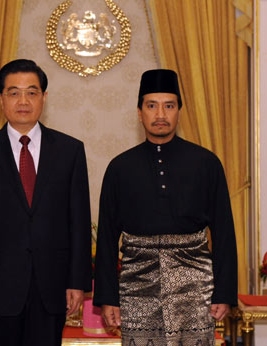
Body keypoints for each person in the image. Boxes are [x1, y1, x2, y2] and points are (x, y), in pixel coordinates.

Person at [93, 69, 237, 345]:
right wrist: (108, 298)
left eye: (168, 106)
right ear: (139, 112)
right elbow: (108, 238)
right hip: (136, 286)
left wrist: (224, 293)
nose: (160, 114)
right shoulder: (120, 167)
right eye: (151, 106)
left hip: (194, 284)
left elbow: (224, 232)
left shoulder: (206, 163)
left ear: (179, 111)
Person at [0, 59, 92, 346]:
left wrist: (77, 281)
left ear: (44, 97)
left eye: (31, 92)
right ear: (1, 99)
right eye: (14, 92)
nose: (23, 101)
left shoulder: (70, 151)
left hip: (52, 285)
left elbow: (79, 221)